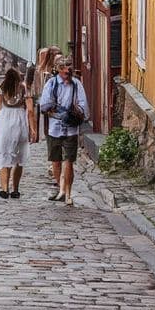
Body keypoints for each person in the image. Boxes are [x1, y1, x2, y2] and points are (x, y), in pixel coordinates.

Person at [38, 55, 89, 206]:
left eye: (69, 68)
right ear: (59, 70)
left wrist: (78, 112)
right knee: (55, 160)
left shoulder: (76, 84)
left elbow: (83, 104)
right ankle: (61, 187)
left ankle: (67, 192)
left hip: (71, 128)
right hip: (54, 127)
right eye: (66, 68)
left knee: (69, 161)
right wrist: (51, 108)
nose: (69, 71)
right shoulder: (51, 84)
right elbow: (44, 104)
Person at [0, 67, 38, 199]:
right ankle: (15, 189)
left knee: (4, 155)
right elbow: (31, 111)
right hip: (20, 123)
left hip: (4, 123)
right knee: (19, 159)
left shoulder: (1, 88)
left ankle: (4, 189)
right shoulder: (24, 89)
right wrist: (33, 129)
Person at [27, 46, 62, 186]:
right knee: (48, 135)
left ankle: (55, 165)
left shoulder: (55, 73)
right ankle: (53, 164)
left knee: (53, 136)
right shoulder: (40, 72)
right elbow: (30, 87)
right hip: (43, 108)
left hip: (51, 109)